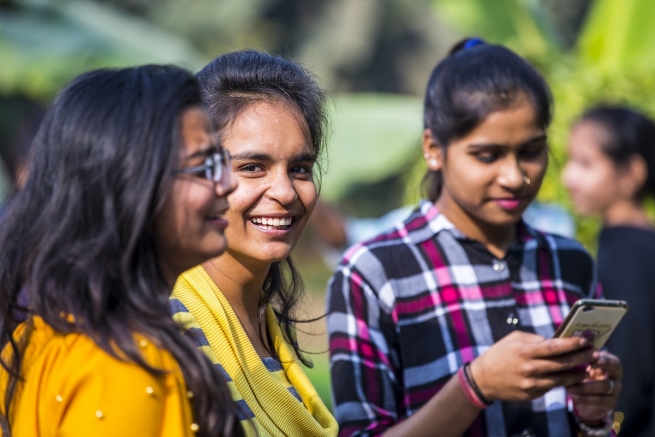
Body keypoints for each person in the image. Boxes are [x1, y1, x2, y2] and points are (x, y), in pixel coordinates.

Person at [327, 38, 622, 437]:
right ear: (434, 149)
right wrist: (475, 387)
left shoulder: (569, 263)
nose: (515, 176)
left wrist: (592, 416)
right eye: (487, 155)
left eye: (532, 150)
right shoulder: (372, 273)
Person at [0, 65, 242, 437]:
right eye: (203, 166)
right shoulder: (123, 364)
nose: (228, 183)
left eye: (221, 162)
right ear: (129, 185)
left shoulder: (42, 333)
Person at [170, 50, 338, 437]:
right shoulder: (166, 326)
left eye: (299, 169)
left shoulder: (265, 325)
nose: (284, 191)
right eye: (251, 167)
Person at [563, 105, 655, 437]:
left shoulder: (623, 252)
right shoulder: (644, 243)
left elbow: (630, 362)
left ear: (631, 173)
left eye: (586, 163)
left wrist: (608, 425)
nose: (568, 178)